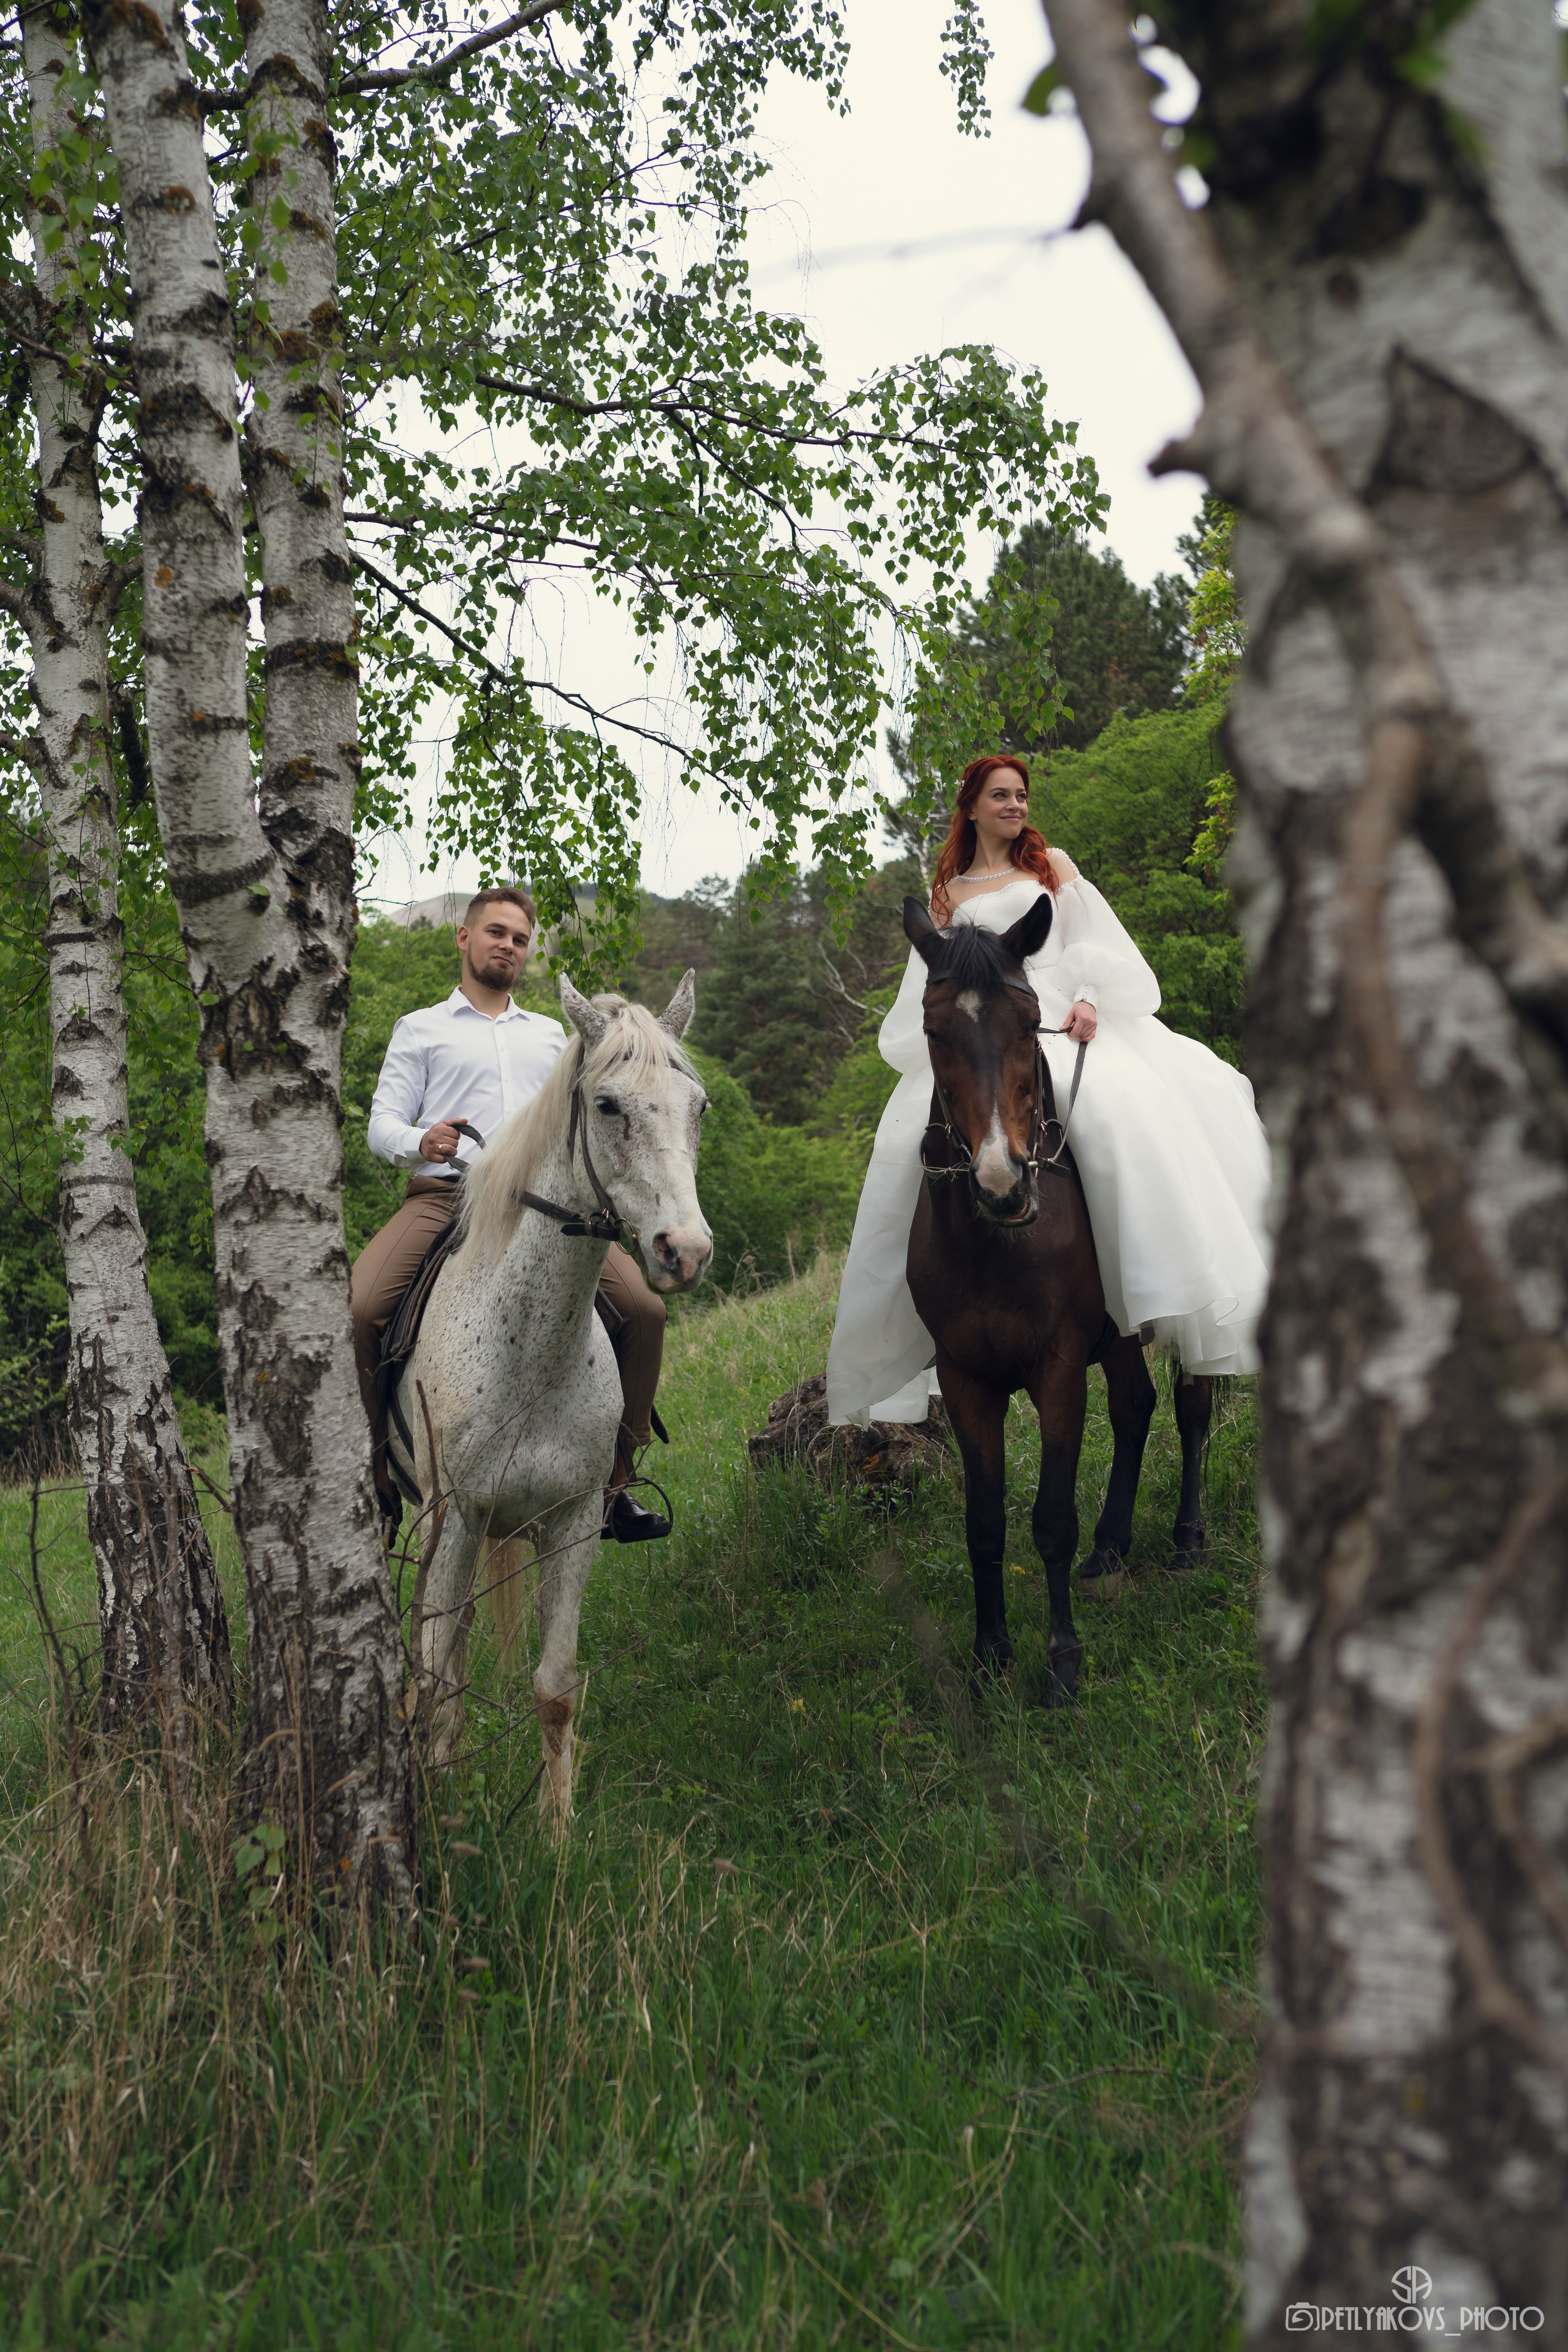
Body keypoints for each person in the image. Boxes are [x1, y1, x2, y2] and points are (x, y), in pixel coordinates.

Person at [825, 754, 1272, 1427]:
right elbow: (939, 985)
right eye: (1000, 796)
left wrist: (1089, 997)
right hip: (984, 1032)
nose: (1015, 806)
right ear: (970, 807)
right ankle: (926, 1314)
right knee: (904, 1147)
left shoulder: (1050, 867)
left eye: (1021, 795)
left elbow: (1096, 939)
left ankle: (1129, 1281)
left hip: (1057, 1015)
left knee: (1115, 1115)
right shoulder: (946, 892)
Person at [350, 886, 672, 1540]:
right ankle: (373, 1484)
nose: (508, 946)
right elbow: (379, 1124)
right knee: (358, 1310)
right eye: (496, 932)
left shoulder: (553, 1036)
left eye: (520, 939)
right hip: (446, 1198)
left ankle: (616, 1485)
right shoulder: (421, 1028)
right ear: (464, 939)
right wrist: (420, 1141)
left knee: (645, 1311)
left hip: (547, 1212)